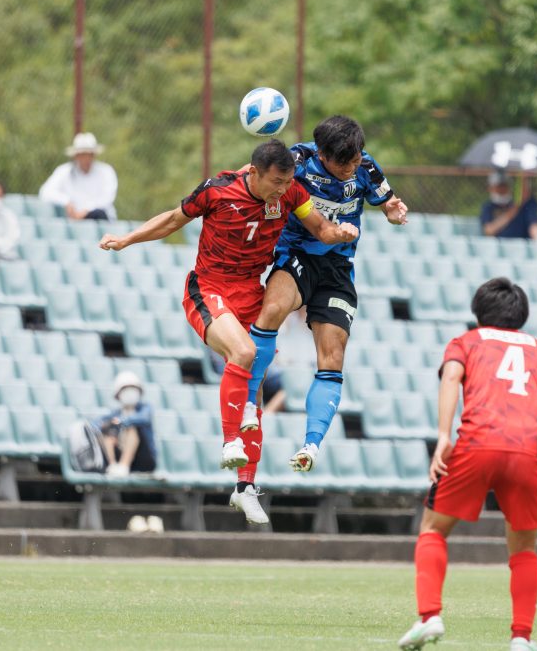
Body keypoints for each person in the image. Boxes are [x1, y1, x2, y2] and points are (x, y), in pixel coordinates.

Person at [98, 138, 359, 525]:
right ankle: (229, 441)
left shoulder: (291, 194)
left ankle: (245, 487)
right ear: (254, 173)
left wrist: (340, 233)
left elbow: (320, 228)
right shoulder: (217, 190)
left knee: (255, 391)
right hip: (209, 289)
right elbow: (173, 219)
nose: (282, 189)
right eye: (276, 182)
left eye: (287, 181)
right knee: (244, 353)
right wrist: (127, 239)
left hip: (251, 290)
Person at [397, 277, 537, 651]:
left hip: (478, 442)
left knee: (433, 529)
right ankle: (521, 638)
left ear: (478, 313)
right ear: (521, 316)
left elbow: (452, 376)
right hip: (530, 450)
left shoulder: (466, 342)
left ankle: (430, 617)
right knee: (523, 549)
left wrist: (443, 436)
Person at [238, 115, 409, 473]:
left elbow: (388, 202)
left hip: (338, 267)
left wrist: (394, 211)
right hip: (296, 254)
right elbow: (255, 179)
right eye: (343, 164)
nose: (351, 168)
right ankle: (250, 405)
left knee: (333, 355)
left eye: (355, 160)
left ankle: (311, 445)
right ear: (323, 155)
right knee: (272, 311)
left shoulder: (366, 167)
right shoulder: (298, 161)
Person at [39, 132, 119, 220]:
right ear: (76, 156)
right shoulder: (64, 171)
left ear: (94, 155)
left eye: (89, 155)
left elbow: (107, 198)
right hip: (73, 219)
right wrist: (66, 202)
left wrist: (86, 211)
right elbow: (45, 192)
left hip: (101, 219)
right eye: (83, 155)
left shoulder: (106, 171)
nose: (86, 159)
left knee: (98, 213)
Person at [95, 371, 157, 477]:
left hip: (144, 461)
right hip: (120, 456)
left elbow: (144, 419)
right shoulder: (115, 413)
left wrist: (121, 422)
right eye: (125, 389)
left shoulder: (145, 408)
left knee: (131, 428)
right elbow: (97, 424)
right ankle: (112, 465)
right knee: (107, 430)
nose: (130, 392)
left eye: (133, 389)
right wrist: (108, 426)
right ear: (118, 394)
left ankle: (124, 465)